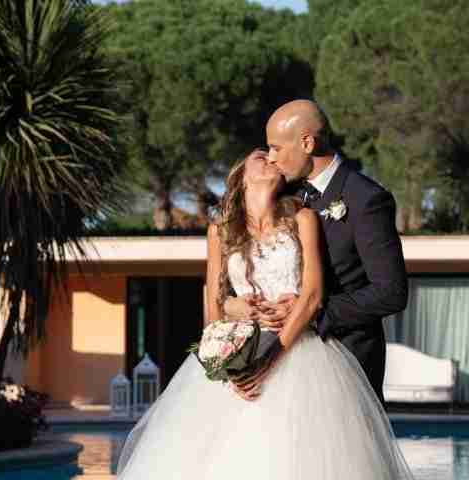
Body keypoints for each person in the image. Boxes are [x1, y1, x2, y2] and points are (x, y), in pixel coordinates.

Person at [115, 143, 414, 479]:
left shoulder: (303, 218)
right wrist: (229, 360)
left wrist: (271, 357)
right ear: (242, 178)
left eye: (272, 154)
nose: (271, 159)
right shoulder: (220, 230)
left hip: (301, 349)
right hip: (242, 349)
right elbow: (214, 303)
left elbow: (313, 294)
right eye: (261, 157)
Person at [226, 99, 408, 404]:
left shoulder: (366, 199)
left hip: (346, 360)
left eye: (276, 148)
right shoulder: (283, 193)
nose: (271, 157)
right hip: (280, 370)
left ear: (307, 143)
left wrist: (314, 313)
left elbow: (391, 292)